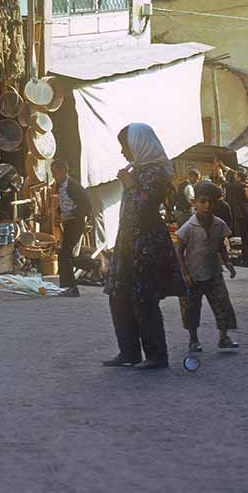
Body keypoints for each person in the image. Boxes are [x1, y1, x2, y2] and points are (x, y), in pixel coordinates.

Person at [103, 123, 187, 370]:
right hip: (128, 242)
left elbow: (145, 206)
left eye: (125, 146)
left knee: (144, 298)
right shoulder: (139, 170)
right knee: (118, 295)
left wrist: (129, 184)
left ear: (138, 144)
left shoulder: (157, 172)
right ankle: (128, 352)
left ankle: (156, 356)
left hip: (147, 244)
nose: (123, 152)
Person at [176, 181, 240, 353]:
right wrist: (185, 273)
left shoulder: (219, 224)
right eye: (202, 201)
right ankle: (193, 339)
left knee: (222, 304)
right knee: (190, 308)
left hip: (213, 273)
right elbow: (179, 250)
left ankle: (224, 337)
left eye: (211, 202)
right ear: (194, 202)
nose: (207, 206)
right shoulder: (189, 227)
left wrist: (228, 263)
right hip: (193, 274)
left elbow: (220, 245)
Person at [51, 158, 93, 297]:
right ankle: (68, 286)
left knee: (64, 254)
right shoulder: (60, 185)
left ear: (63, 171)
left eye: (55, 172)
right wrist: (59, 214)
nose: (53, 176)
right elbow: (64, 203)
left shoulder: (73, 185)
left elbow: (86, 205)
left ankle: (71, 286)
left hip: (76, 223)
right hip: (68, 224)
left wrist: (70, 215)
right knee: (65, 254)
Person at [226, 168, 248, 267]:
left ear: (239, 177)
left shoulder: (240, 186)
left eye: (236, 175)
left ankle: (247, 260)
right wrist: (223, 166)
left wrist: (221, 176)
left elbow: (228, 185)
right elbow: (233, 172)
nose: (234, 176)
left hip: (245, 215)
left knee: (246, 238)